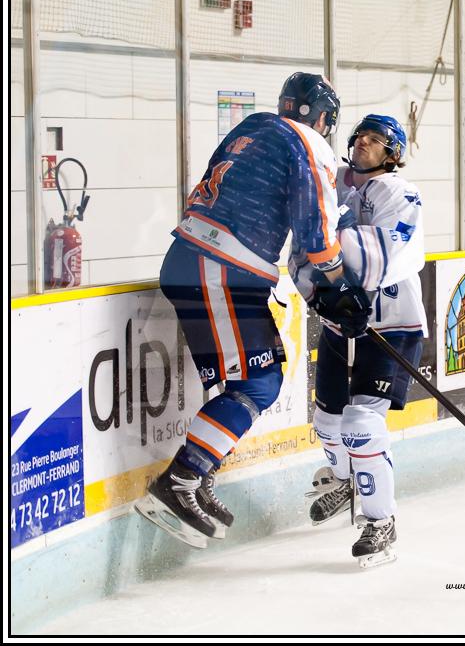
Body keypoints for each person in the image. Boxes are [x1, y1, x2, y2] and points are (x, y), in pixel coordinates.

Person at [136, 73, 371, 548]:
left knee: (243, 379)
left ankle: (198, 476)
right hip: (221, 268)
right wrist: (339, 283)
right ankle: (181, 480)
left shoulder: (251, 128)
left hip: (198, 260)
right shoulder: (308, 142)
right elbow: (315, 229)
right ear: (323, 118)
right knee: (257, 382)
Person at [290, 114, 427, 568]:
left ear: (393, 153)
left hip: (391, 324)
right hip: (339, 323)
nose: (363, 143)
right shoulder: (335, 187)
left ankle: (381, 521)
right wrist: (323, 295)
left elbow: (384, 254)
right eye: (359, 137)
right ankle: (346, 479)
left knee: (361, 422)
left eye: (375, 139)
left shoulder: (400, 192)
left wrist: (337, 231)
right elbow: (303, 253)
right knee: (327, 420)